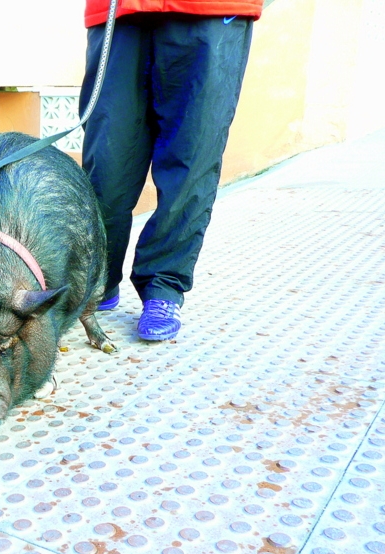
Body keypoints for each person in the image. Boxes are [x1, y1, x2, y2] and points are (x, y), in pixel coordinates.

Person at [80, 0, 263, 341]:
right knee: (106, 164)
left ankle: (163, 286)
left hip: (212, 13)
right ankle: (96, 279)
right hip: (119, 14)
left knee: (191, 160)